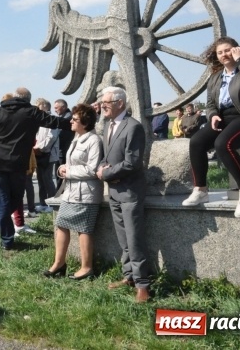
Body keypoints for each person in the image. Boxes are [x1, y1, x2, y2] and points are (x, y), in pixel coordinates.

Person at [182, 37, 240, 218]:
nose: (224, 55)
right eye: (220, 52)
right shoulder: (215, 77)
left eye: (228, 50)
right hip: (225, 117)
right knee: (196, 142)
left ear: (236, 49)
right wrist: (213, 115)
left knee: (224, 144)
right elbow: (210, 103)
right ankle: (201, 189)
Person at [0, 87, 63, 250]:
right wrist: (77, 120)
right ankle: (7, 240)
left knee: (9, 200)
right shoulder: (31, 112)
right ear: (28, 100)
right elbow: (55, 122)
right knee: (11, 199)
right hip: (17, 162)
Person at [96, 86, 151, 303]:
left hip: (130, 192)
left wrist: (106, 172)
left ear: (120, 103)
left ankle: (143, 285)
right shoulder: (109, 124)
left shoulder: (133, 127)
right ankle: (128, 276)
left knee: (135, 239)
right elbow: (107, 156)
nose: (102, 106)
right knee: (123, 240)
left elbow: (133, 162)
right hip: (115, 192)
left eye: (106, 103)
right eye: (102, 102)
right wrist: (102, 168)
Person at [43, 103, 103, 280]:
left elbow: (92, 169)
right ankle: (59, 263)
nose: (71, 121)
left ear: (85, 123)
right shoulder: (77, 138)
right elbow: (75, 163)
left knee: (84, 229)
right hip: (71, 192)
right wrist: (62, 168)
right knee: (61, 224)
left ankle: (86, 267)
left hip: (86, 194)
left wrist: (69, 171)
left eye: (75, 119)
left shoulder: (93, 140)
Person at [33, 98, 57, 213]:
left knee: (47, 179)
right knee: (40, 180)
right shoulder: (38, 119)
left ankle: (52, 204)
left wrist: (40, 147)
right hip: (39, 153)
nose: (36, 108)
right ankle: (43, 203)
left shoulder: (51, 118)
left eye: (38, 105)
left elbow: (51, 137)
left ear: (44, 106)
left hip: (49, 153)